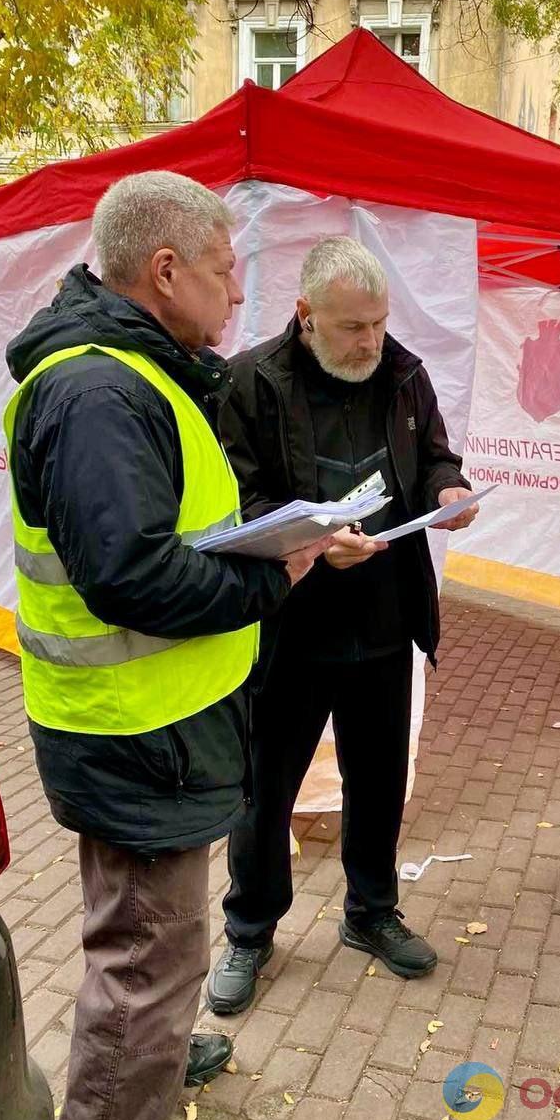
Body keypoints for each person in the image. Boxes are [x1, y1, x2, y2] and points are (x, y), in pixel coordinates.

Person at [4, 171, 330, 1120]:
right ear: (165, 269)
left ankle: (147, 1062)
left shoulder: (135, 373)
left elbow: (159, 537)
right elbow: (130, 574)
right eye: (228, 271)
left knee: (145, 955)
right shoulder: (101, 388)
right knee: (147, 967)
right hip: (134, 733)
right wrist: (271, 578)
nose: (238, 295)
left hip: (153, 723)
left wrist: (264, 540)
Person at [207, 235, 477, 1014]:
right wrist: (317, 540)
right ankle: (250, 931)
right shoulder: (250, 381)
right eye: (353, 326)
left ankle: (370, 912)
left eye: (379, 323)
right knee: (266, 789)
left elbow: (432, 457)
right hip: (290, 624)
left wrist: (449, 486)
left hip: (385, 619)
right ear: (304, 315)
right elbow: (237, 499)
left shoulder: (403, 375)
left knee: (380, 780)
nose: (370, 341)